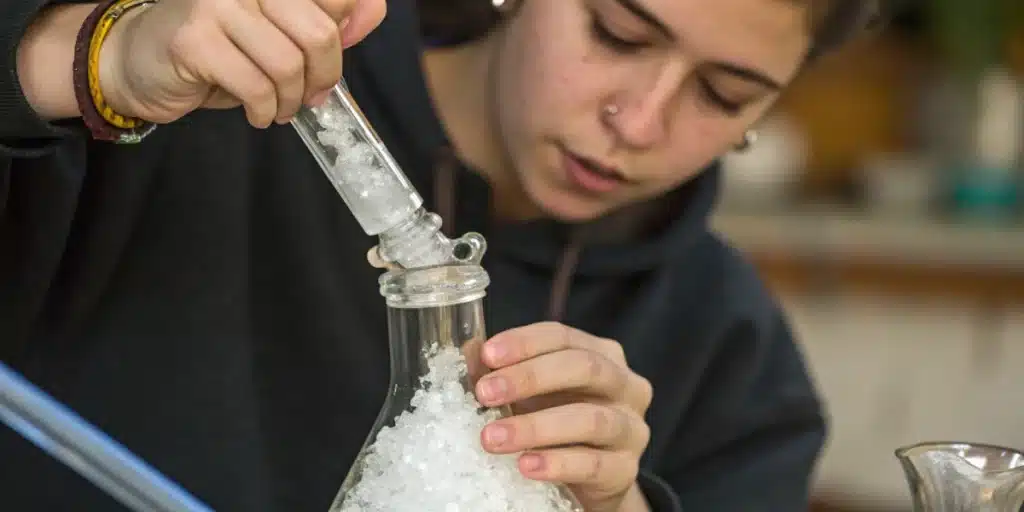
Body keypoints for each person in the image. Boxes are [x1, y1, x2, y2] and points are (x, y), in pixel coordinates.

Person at [0, 0, 880, 510]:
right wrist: (78, 60)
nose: (640, 122)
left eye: (724, 96)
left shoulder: (732, 353)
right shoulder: (208, 111)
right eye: (615, 32)